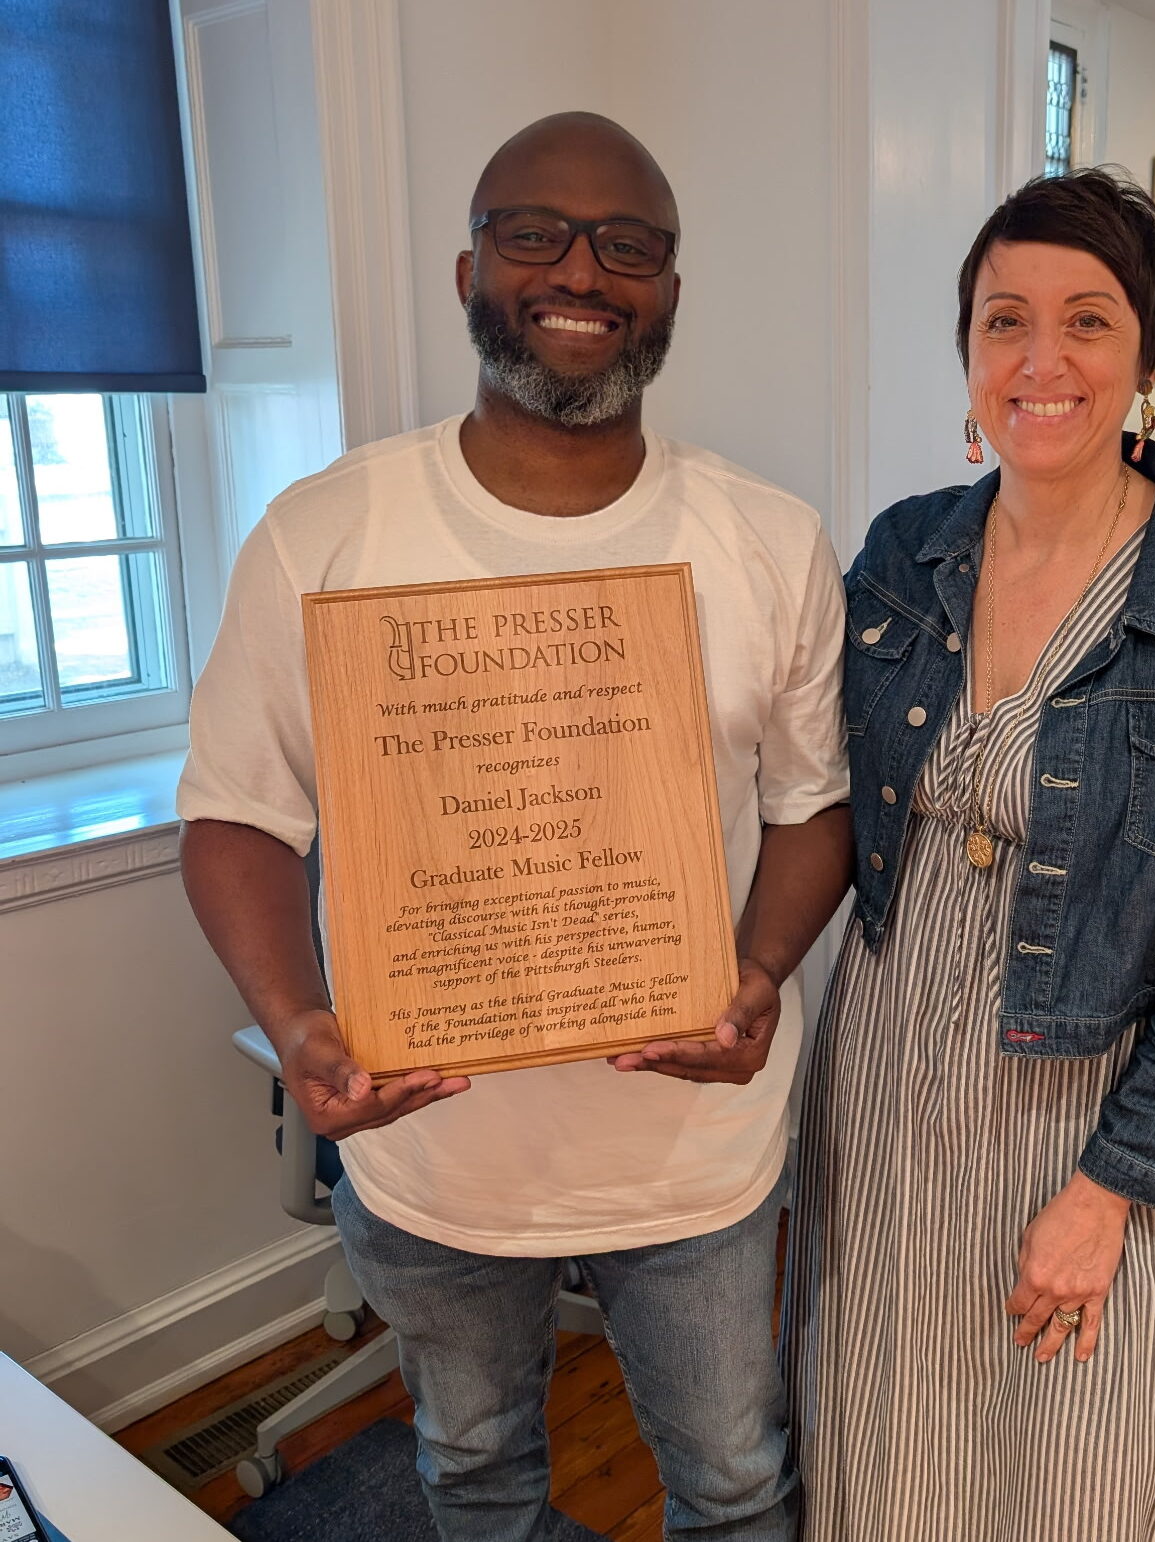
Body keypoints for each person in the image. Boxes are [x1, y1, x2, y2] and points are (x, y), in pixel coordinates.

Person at [179, 112, 852, 1542]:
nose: (582, 271)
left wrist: (756, 971)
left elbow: (812, 808)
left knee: (735, 1489)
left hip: (694, 1154)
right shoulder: (325, 533)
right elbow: (236, 818)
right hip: (436, 1162)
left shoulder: (767, 540)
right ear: (467, 265)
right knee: (476, 1483)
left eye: (632, 245)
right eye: (533, 231)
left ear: (671, 290)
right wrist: (299, 1023)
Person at [781, 168, 1155, 1541]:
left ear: (1144, 356)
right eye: (1001, 320)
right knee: (895, 1424)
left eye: (1085, 321)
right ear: (964, 354)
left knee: (1065, 1465)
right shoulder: (904, 555)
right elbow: (800, 776)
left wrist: (1110, 1188)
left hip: (1083, 1110)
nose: (1039, 360)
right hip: (887, 1080)